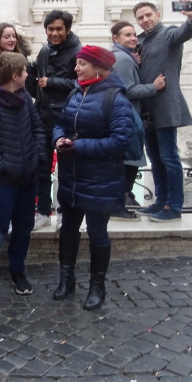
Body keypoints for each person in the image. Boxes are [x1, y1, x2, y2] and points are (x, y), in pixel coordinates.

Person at [52, 46, 133, 310]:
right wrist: (58, 138)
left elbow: (120, 141)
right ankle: (67, 278)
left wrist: (78, 146)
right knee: (68, 229)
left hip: (101, 179)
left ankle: (97, 286)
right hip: (72, 176)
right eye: (77, 63)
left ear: (98, 68)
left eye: (81, 64)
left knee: (97, 232)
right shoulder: (77, 92)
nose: (76, 68)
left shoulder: (116, 99)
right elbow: (61, 123)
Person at [0, 52, 46, 299]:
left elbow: (37, 128)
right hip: (3, 180)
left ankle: (18, 272)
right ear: (15, 75)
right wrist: (2, 164)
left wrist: (37, 156)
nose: (28, 74)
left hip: (28, 176)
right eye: (25, 71)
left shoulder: (24, 98)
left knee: (24, 227)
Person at [134, 1, 192, 222]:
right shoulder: (139, 41)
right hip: (146, 108)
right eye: (140, 17)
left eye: (148, 15)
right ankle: (160, 201)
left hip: (165, 106)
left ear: (158, 14)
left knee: (169, 157)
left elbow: (186, 31)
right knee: (155, 158)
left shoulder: (168, 34)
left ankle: (174, 207)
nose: (145, 20)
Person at [110, 21, 166, 220]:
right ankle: (119, 205)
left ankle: (122, 201)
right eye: (127, 35)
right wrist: (154, 87)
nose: (133, 38)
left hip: (124, 116)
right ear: (116, 38)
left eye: (134, 34)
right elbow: (127, 89)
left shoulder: (123, 56)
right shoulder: (122, 59)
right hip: (127, 116)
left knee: (128, 160)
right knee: (129, 161)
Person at [32, 10, 82, 229]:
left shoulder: (78, 51)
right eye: (50, 29)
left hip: (66, 117)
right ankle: (43, 211)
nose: (54, 33)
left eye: (59, 29)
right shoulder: (44, 51)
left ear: (67, 29)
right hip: (43, 116)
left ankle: (64, 213)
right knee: (41, 167)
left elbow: (81, 83)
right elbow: (36, 77)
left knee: (67, 169)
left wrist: (52, 82)